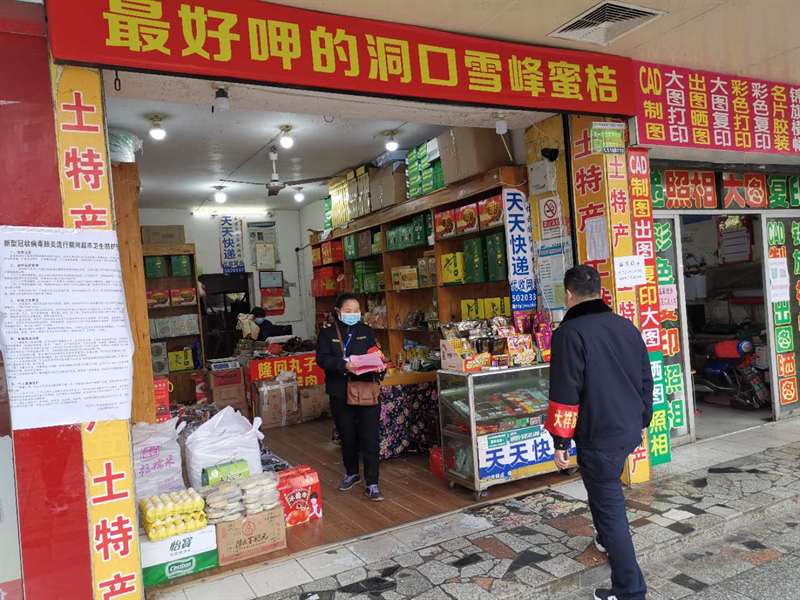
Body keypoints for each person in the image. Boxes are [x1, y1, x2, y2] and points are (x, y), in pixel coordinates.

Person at [545, 265, 653, 600]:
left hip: (599, 434)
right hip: (628, 427)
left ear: (568, 295)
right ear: (599, 291)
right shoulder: (625, 326)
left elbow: (565, 391)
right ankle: (606, 540)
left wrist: (561, 440)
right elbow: (646, 378)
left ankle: (630, 589)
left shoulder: (569, 333)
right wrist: (643, 419)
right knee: (602, 491)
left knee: (609, 506)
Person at [316, 293, 385, 501]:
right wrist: (343, 365)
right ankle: (352, 473)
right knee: (347, 435)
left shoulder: (366, 331)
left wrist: (380, 365)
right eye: (348, 311)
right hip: (340, 391)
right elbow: (322, 359)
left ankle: (372, 482)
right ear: (338, 312)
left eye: (356, 311)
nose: (353, 314)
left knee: (370, 437)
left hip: (366, 389)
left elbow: (375, 353)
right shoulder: (327, 333)